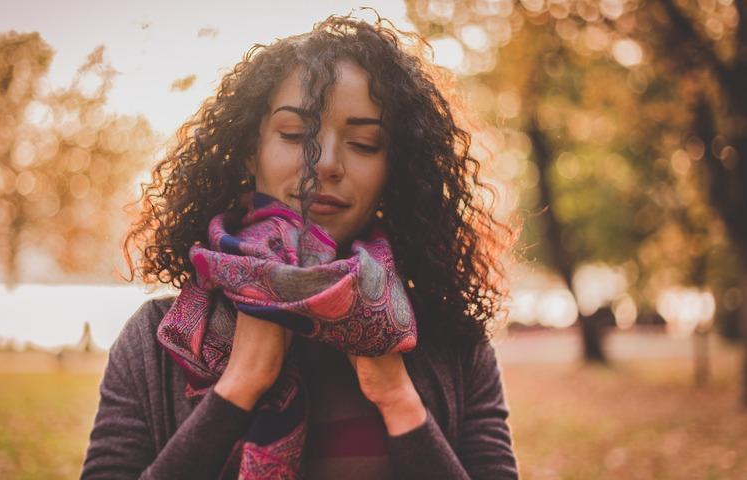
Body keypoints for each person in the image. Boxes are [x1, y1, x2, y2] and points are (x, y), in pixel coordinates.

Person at [81, 11, 518, 480]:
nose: (325, 163)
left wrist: (398, 400)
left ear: (396, 169)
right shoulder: (155, 340)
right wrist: (238, 387)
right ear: (252, 150)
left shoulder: (454, 344)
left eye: (365, 143)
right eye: (295, 134)